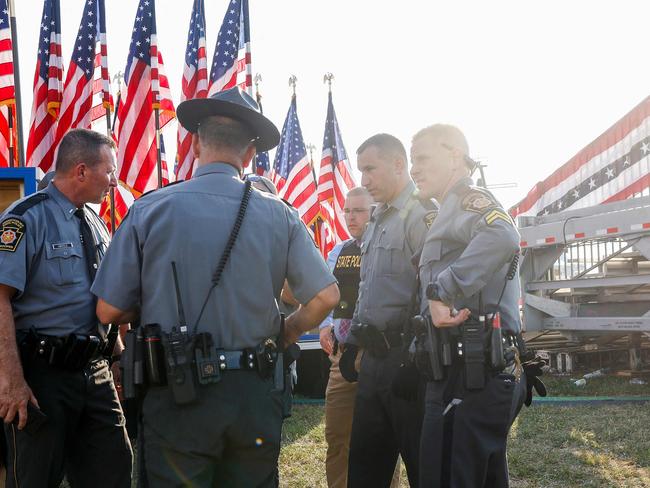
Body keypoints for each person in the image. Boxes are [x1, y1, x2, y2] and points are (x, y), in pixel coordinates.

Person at [92, 86, 340, 487]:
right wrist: (288, 331)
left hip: (178, 395)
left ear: (194, 144)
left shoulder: (150, 209)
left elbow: (108, 311)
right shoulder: (280, 214)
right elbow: (326, 296)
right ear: (250, 155)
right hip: (255, 391)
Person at [0, 128, 132, 487]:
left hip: (96, 372)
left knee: (114, 468)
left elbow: (95, 303)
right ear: (82, 171)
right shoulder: (26, 217)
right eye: (110, 171)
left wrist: (117, 359)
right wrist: (11, 380)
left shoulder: (96, 224)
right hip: (43, 377)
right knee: (34, 478)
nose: (114, 182)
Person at [410, 124, 528, 487]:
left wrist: (441, 290)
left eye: (422, 158)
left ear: (455, 156)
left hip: (470, 373)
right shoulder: (445, 211)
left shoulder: (468, 202)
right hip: (460, 372)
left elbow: (503, 234)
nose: (414, 169)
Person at [342, 134, 434, 487]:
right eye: (360, 170)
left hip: (408, 364)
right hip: (374, 362)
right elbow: (368, 288)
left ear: (398, 165)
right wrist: (353, 342)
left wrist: (416, 358)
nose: (363, 180)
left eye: (370, 169)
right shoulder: (378, 218)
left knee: (423, 469)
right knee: (365, 470)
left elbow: (432, 293)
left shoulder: (422, 215)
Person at [319, 186, 397, 488]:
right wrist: (325, 324)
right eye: (347, 211)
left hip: (380, 355)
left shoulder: (390, 250)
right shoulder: (339, 251)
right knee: (337, 436)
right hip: (342, 358)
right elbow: (328, 293)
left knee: (382, 439)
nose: (351, 217)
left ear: (374, 211)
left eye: (359, 211)